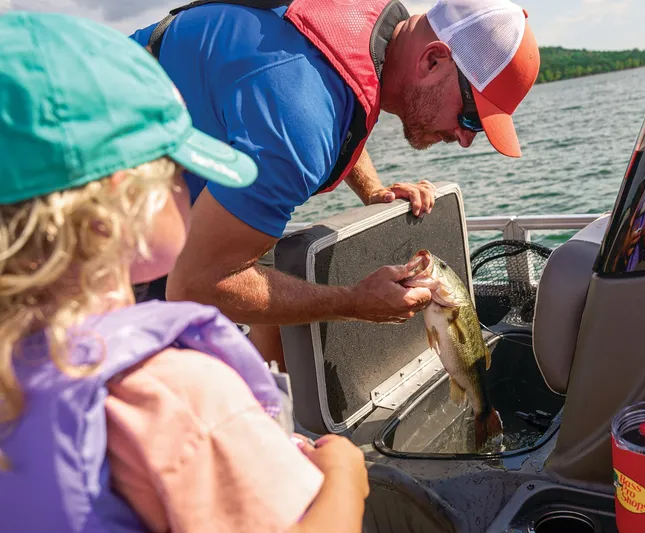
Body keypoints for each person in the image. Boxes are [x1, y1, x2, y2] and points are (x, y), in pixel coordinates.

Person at [0, 11, 369, 533]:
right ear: (116, 211)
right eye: (180, 170)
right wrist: (347, 479)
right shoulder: (173, 396)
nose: (193, 190)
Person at [129, 0, 541, 366]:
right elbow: (195, 284)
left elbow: (344, 96)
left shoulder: (373, 32)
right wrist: (353, 302)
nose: (466, 139)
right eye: (471, 117)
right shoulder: (300, 122)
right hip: (105, 208)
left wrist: (373, 190)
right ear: (433, 60)